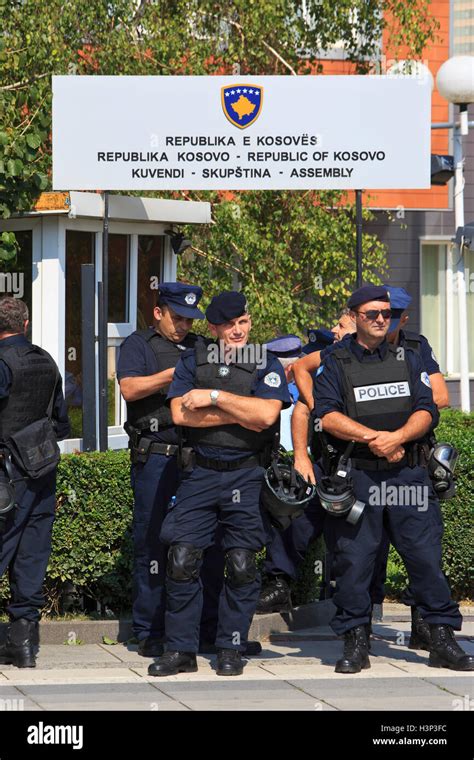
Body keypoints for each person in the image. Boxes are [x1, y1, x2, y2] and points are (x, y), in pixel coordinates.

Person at [313, 284, 472, 673]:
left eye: (387, 313)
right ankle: (355, 641)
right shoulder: (335, 361)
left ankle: (441, 638)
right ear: (353, 317)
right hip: (360, 476)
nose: (382, 319)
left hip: (407, 474)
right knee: (354, 561)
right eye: (373, 314)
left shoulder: (410, 357)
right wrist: (375, 440)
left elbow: (427, 409)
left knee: (425, 558)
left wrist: (398, 438)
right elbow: (327, 415)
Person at [148, 291, 291, 677]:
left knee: (242, 564)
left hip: (246, 472)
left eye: (243, 322)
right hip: (200, 473)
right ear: (213, 328)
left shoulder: (265, 362)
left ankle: (231, 645)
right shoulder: (194, 359)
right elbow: (180, 414)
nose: (238, 331)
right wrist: (240, 413)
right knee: (181, 559)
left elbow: (266, 416)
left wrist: (214, 398)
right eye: (229, 325)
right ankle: (181, 649)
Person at [117, 283, 224, 657]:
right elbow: (129, 389)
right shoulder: (139, 344)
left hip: (198, 454)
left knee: (206, 543)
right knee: (152, 542)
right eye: (176, 317)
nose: (182, 326)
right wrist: (175, 374)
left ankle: (206, 629)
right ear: (159, 311)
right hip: (157, 456)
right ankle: (150, 630)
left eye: (189, 320)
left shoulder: (202, 346)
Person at [0, 297, 70, 668]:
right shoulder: (46, 360)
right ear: (25, 324)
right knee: (31, 555)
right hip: (42, 469)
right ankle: (23, 644)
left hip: (6, 475)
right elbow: (61, 420)